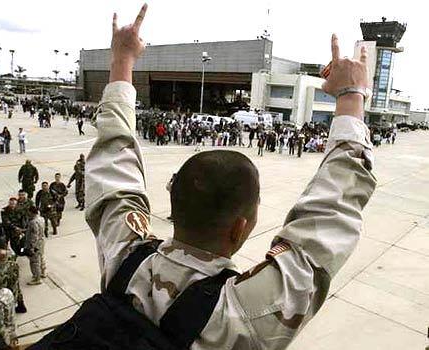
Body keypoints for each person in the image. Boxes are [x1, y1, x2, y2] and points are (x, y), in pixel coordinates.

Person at [84, 16, 376, 349]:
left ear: (174, 206)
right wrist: (352, 95)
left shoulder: (125, 260)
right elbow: (330, 217)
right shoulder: (239, 314)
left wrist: (121, 61)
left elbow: (112, 160)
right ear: (240, 229)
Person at [0, 249, 27, 313]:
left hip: (9, 288)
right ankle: (21, 305)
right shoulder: (12, 263)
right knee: (18, 291)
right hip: (15, 282)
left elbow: (2, 284)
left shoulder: (1, 272)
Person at [24, 206, 46, 285]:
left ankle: (37, 278)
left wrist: (32, 247)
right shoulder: (41, 219)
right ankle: (43, 272)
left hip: (35, 244)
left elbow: (34, 236)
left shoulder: (33, 222)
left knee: (34, 262)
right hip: (41, 242)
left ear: (31, 212)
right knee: (41, 257)